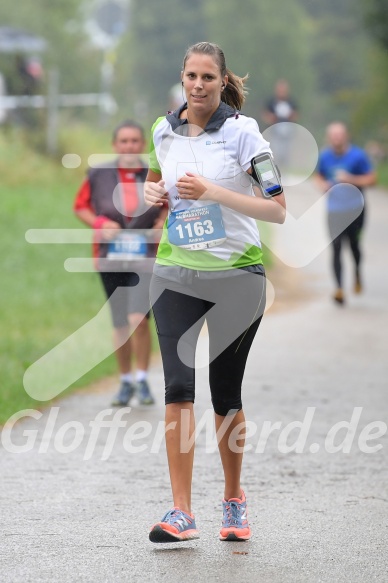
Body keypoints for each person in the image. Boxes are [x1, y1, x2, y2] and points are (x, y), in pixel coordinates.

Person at [144, 41, 286, 543]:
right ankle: (180, 511)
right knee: (178, 387)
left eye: (208, 77)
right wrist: (153, 193)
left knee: (225, 394)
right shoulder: (164, 129)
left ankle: (233, 498)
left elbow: (278, 208)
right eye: (191, 76)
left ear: (223, 81)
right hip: (176, 271)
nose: (198, 85)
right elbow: (154, 180)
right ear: (181, 78)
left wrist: (215, 192)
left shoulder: (245, 134)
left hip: (237, 278)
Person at [74, 120, 165, 406]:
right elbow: (80, 207)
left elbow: (168, 205)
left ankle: (142, 379)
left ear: (142, 145)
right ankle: (124, 381)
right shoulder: (99, 174)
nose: (129, 146)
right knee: (119, 321)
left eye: (135, 141)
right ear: (115, 145)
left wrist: (160, 225)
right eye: (124, 141)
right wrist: (100, 222)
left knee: (139, 318)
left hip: (144, 257)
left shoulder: (153, 174)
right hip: (109, 257)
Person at [315, 122, 376, 304]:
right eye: (333, 135)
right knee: (336, 248)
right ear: (329, 137)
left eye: (339, 135)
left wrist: (351, 179)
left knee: (354, 246)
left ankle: (357, 272)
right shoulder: (325, 156)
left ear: (346, 136)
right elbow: (318, 176)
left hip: (356, 210)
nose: (336, 139)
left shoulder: (358, 156)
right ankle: (339, 289)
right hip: (335, 211)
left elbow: (372, 179)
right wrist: (322, 185)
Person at [262, 79, 298, 171]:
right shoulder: (272, 102)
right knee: (276, 151)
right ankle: (276, 169)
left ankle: (285, 170)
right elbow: (265, 115)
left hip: (287, 131)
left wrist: (290, 116)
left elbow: (296, 115)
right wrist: (271, 118)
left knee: (285, 152)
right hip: (275, 131)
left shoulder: (291, 102)